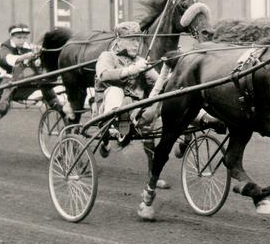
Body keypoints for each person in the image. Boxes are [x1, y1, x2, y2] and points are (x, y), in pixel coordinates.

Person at [94, 21, 224, 158]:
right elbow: (104, 75)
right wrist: (130, 70)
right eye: (132, 40)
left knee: (172, 96)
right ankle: (114, 125)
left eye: (138, 40)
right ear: (119, 41)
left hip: (135, 111)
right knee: (115, 90)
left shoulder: (139, 61)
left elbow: (161, 82)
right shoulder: (107, 56)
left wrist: (176, 65)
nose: (136, 44)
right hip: (107, 109)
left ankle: (206, 118)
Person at [0, 23, 61, 117]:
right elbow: (7, 59)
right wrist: (25, 56)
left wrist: (38, 56)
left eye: (25, 38)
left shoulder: (28, 47)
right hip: (4, 79)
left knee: (43, 80)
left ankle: (54, 102)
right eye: (19, 37)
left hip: (22, 79)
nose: (22, 40)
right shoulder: (5, 47)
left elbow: (34, 62)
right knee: (10, 82)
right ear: (11, 37)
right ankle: (2, 106)